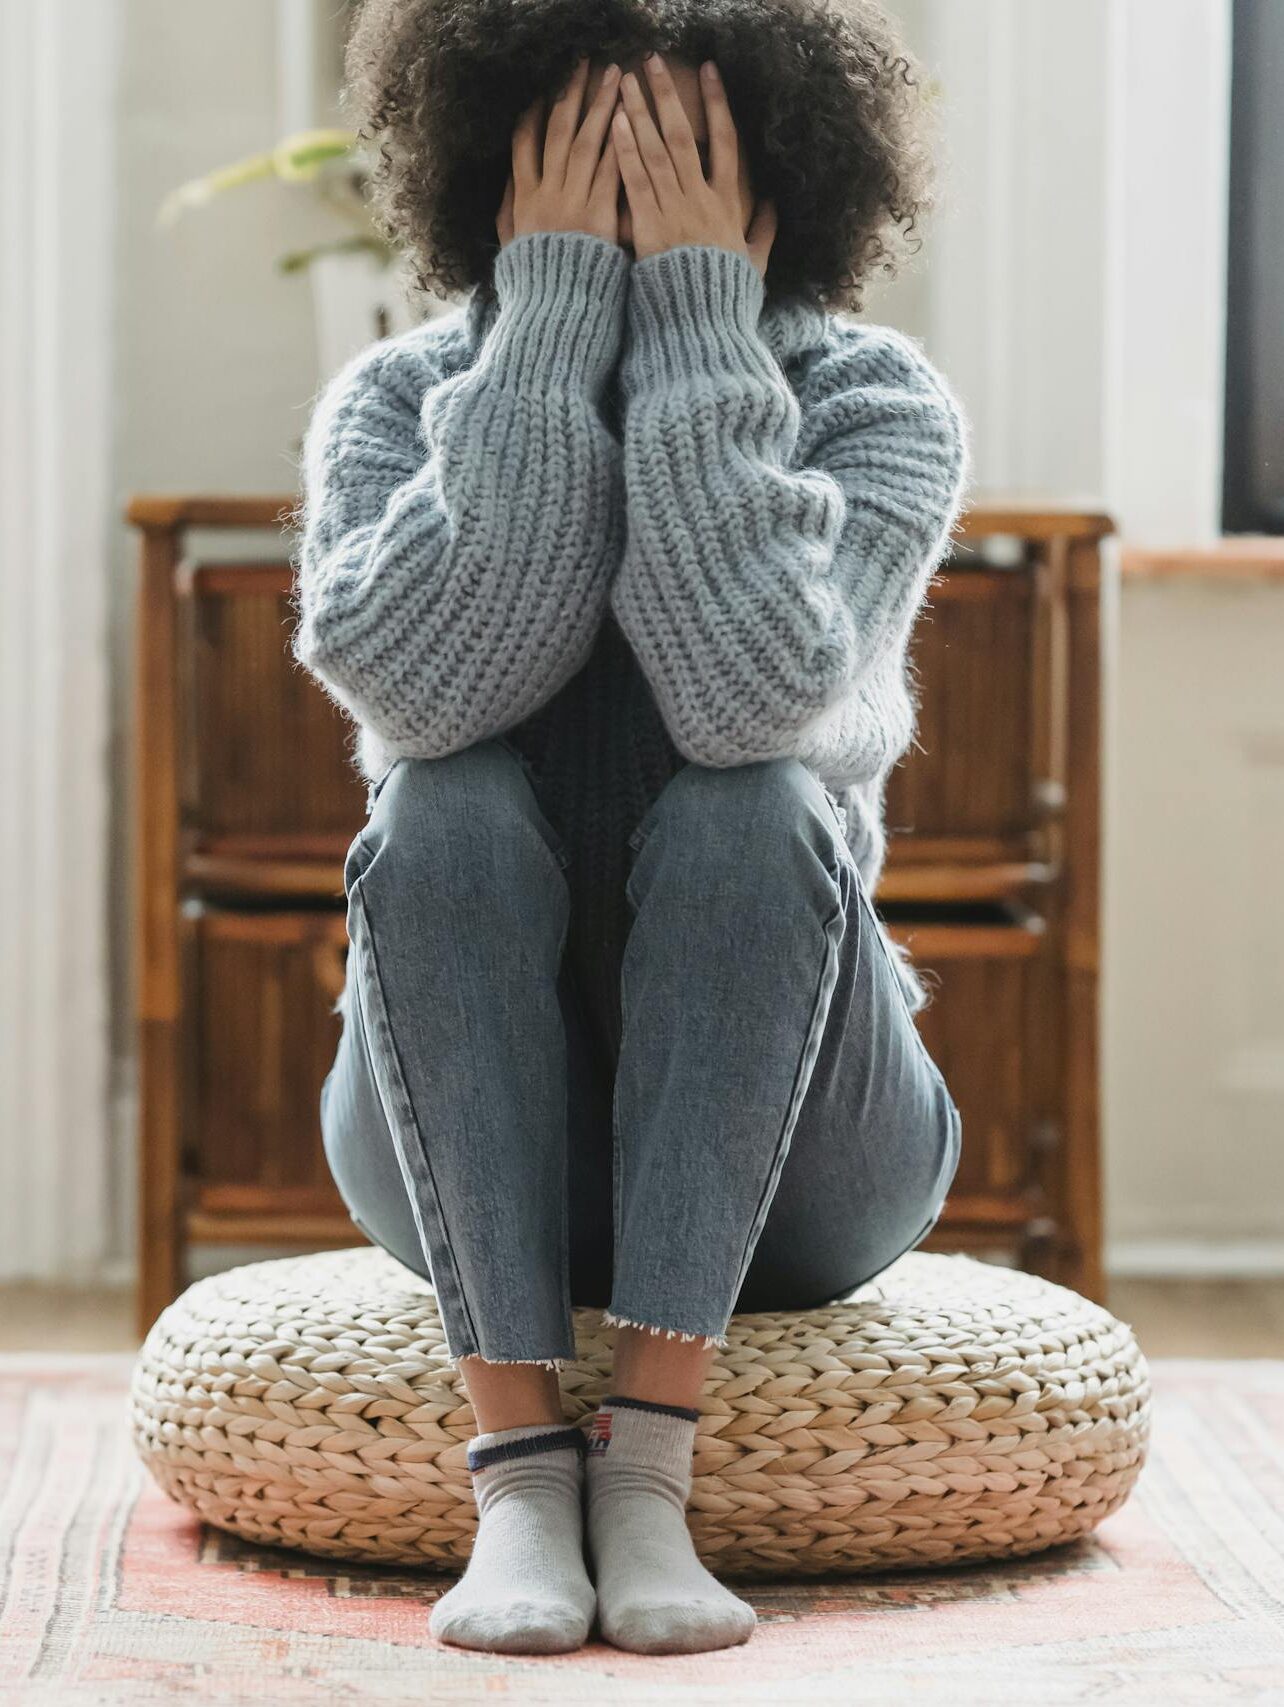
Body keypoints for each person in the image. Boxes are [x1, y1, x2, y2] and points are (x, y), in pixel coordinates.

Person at [293, 0, 970, 1659]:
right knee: (441, 804)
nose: (630, 178)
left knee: (749, 805)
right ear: (493, 163)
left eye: (680, 150)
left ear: (778, 170)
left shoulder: (875, 403)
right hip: (455, 1138)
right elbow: (432, 693)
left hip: (808, 1157)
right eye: (585, 142)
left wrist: (695, 329)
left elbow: (751, 702)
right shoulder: (396, 401)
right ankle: (523, 1469)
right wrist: (545, 336)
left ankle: (648, 1468)